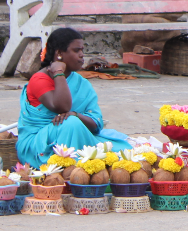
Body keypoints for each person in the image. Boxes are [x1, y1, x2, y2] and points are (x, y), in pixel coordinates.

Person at [17, 28, 130, 168]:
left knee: (124, 148)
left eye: (82, 50)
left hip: (75, 134)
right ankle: (71, 168)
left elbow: (96, 124)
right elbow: (62, 107)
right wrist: (58, 72)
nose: (82, 55)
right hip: (38, 144)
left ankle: (80, 167)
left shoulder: (81, 82)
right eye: (76, 50)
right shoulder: (39, 79)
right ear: (59, 54)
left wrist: (75, 115)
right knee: (71, 124)